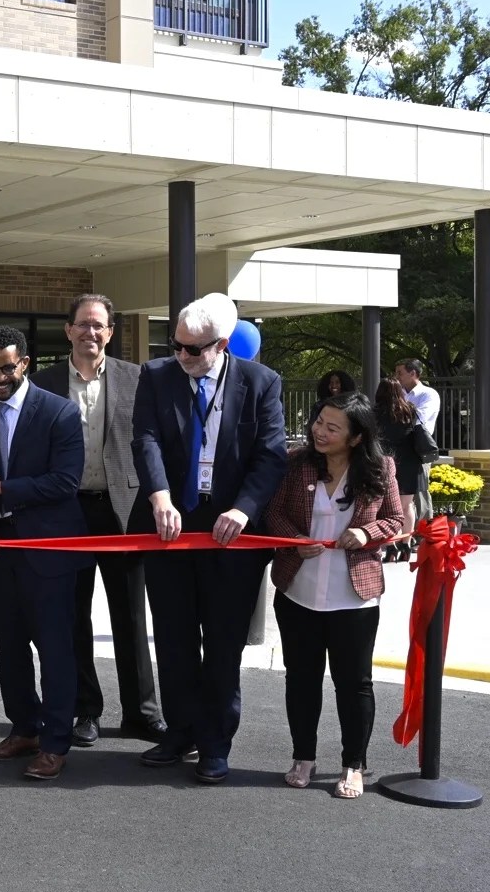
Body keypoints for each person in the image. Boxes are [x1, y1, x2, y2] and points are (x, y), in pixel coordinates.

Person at [132, 292, 287, 784]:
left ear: (222, 345)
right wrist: (159, 496)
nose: (182, 356)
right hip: (168, 523)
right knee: (174, 639)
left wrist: (244, 508)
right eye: (176, 344)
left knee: (223, 643)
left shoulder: (261, 383)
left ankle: (216, 743)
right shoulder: (157, 376)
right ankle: (179, 733)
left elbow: (270, 454)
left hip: (230, 531)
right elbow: (146, 438)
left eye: (193, 350)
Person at [33, 294, 165, 748]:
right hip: (65, 512)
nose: (91, 332)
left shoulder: (138, 378)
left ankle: (142, 712)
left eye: (99, 326)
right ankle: (85, 709)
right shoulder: (44, 382)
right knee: (74, 616)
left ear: (110, 332)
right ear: (68, 330)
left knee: (130, 615)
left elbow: (151, 441)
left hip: (122, 512)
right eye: (83, 325)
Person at [264, 392, 403, 799]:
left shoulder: (380, 468)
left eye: (332, 427)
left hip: (354, 598)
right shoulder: (295, 463)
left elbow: (395, 519)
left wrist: (366, 533)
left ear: (356, 437)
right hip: (299, 592)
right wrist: (293, 539)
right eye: (318, 422)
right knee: (302, 680)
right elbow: (272, 513)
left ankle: (353, 764)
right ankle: (302, 756)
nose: (319, 432)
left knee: (354, 684)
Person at [0, 325, 88, 782]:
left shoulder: (59, 413)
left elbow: (65, 482)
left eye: (5, 368)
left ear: (25, 365)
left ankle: (56, 743)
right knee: (9, 646)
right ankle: (24, 728)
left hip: (49, 553)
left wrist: (4, 489)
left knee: (55, 651)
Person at [373, 378, 436, 562]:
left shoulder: (374, 414)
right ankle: (406, 544)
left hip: (384, 462)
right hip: (410, 462)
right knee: (407, 505)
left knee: (386, 507)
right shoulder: (410, 410)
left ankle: (390, 546)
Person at [394, 359, 440, 436]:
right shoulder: (396, 393)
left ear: (412, 373)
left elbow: (418, 419)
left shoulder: (429, 394)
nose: (396, 377)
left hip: (416, 443)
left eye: (399, 373)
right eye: (396, 373)